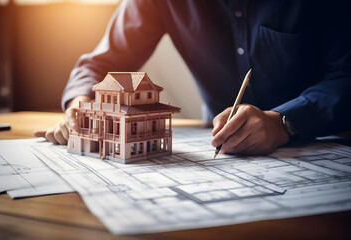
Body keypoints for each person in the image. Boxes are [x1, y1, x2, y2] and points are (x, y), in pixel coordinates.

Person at [34, 0, 351, 155]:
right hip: (219, 149)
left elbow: (346, 75)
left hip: (324, 144)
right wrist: (81, 103)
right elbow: (101, 63)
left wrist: (283, 122)